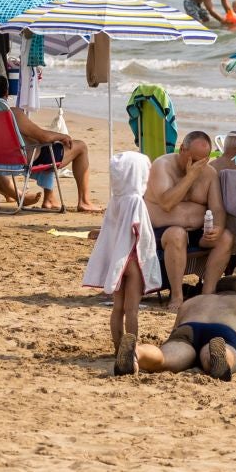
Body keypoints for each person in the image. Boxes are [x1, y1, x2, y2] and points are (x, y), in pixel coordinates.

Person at [83, 151, 163, 374]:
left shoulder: (115, 200)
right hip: (133, 258)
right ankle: (132, 348)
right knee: (132, 309)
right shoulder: (137, 201)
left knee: (117, 308)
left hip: (116, 259)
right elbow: (140, 231)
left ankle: (118, 346)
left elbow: (110, 230)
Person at [0, 74, 100, 212]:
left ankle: (49, 199)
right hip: (25, 160)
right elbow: (43, 136)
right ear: (6, 92)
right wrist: (62, 136)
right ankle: (84, 201)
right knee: (80, 146)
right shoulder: (12, 113)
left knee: (45, 146)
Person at [144, 131, 235, 309]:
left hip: (197, 231)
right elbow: (167, 203)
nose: (196, 165)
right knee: (177, 234)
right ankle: (177, 297)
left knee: (226, 237)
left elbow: (217, 208)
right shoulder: (162, 166)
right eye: (193, 159)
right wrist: (190, 176)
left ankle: (207, 294)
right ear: (182, 149)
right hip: (163, 232)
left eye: (202, 161)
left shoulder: (208, 173)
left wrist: (217, 227)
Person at [134, 275, 236, 380]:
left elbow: (175, 330)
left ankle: (138, 353)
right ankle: (219, 357)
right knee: (225, 352)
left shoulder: (194, 301)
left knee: (165, 357)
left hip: (189, 329)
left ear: (217, 291)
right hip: (225, 331)